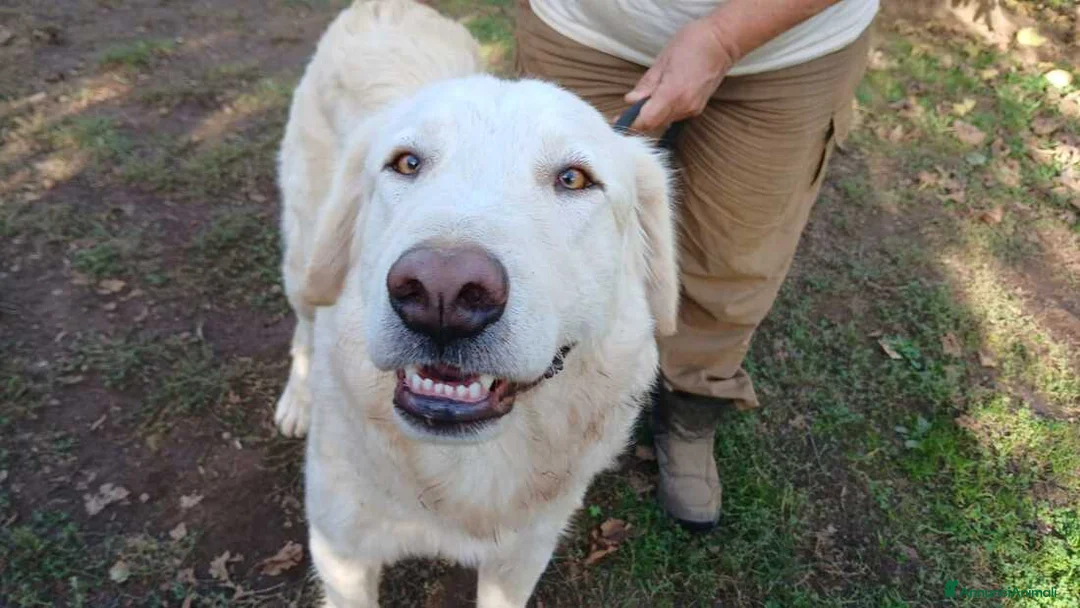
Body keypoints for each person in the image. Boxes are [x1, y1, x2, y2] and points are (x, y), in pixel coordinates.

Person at [515, 0, 879, 531]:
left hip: (791, 51)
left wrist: (726, 38)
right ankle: (526, 404)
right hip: (586, 29)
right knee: (541, 244)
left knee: (734, 259)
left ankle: (691, 404)